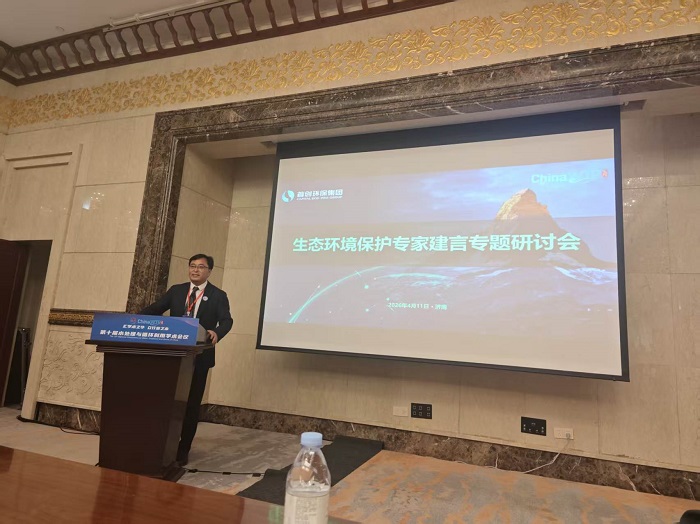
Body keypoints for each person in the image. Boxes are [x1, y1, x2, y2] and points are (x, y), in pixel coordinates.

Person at [140, 253, 233, 465]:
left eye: (200, 267)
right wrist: (135, 318)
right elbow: (155, 309)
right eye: (192, 266)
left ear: (209, 271)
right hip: (173, 356)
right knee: (168, 401)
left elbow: (227, 320)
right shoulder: (177, 290)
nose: (195, 270)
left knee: (191, 404)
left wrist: (217, 332)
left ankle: (183, 449)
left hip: (199, 358)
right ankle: (164, 444)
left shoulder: (218, 295)